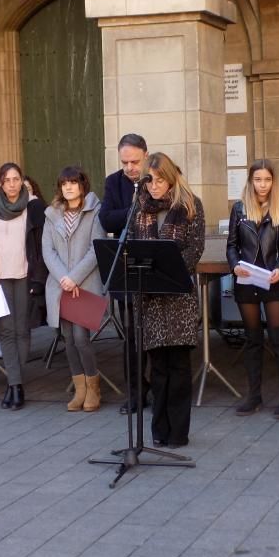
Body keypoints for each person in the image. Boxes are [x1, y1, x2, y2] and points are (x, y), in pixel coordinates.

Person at [132, 152, 205, 448]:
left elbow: (194, 249)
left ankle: (179, 432)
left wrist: (167, 270)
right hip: (150, 299)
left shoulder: (189, 205)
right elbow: (134, 248)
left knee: (179, 367)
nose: (154, 187)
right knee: (158, 369)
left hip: (178, 298)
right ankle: (159, 431)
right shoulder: (139, 210)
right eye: (150, 181)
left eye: (160, 180)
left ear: (171, 178)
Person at [226, 159, 279, 418]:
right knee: (252, 339)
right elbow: (231, 244)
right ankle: (254, 395)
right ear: (251, 181)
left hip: (272, 278)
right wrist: (234, 266)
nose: (262, 185)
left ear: (273, 181)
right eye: (258, 180)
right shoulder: (239, 209)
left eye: (267, 179)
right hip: (246, 279)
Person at [0, 162, 47, 410]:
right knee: (5, 331)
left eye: (16, 179)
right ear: (1, 183)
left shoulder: (33, 208)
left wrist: (38, 279)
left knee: (22, 330)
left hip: (24, 276)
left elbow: (40, 248)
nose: (13, 184)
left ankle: (14, 381)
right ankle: (15, 385)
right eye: (8, 180)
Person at [42, 166, 106, 412]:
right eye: (64, 183)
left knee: (81, 338)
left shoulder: (94, 211)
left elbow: (96, 248)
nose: (68, 187)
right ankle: (79, 390)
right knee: (67, 338)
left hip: (84, 284)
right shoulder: (52, 214)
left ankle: (94, 386)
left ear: (82, 185)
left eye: (73, 182)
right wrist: (64, 279)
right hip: (61, 286)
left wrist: (75, 278)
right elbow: (48, 250)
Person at [99, 132, 150, 415]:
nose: (130, 168)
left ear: (145, 155)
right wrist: (133, 210)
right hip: (126, 264)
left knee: (152, 331)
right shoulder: (113, 182)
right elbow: (106, 217)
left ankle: (157, 385)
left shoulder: (155, 177)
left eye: (135, 161)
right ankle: (135, 392)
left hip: (152, 261)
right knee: (130, 334)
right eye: (125, 162)